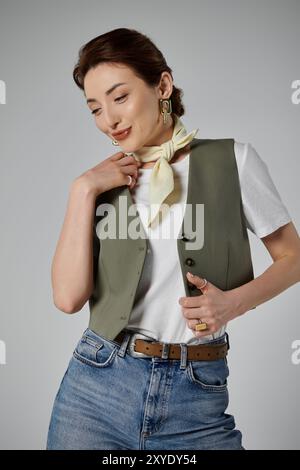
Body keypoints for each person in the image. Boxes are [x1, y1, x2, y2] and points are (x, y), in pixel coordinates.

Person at [46, 28, 300, 450]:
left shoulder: (232, 160)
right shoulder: (102, 181)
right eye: (94, 108)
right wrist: (81, 190)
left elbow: (293, 256)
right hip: (96, 388)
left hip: (197, 392)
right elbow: (68, 299)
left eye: (119, 97)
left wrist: (233, 304)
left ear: (162, 85)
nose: (108, 119)